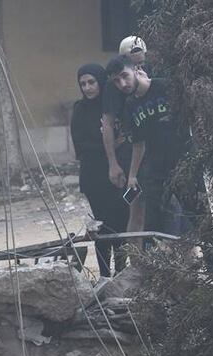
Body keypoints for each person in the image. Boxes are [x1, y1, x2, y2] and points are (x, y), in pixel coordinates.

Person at [107, 54, 184, 235]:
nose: (123, 84)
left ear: (135, 70)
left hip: (184, 162)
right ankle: (154, 263)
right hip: (157, 169)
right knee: (152, 226)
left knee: (199, 215)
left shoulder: (165, 86)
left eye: (124, 76)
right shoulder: (131, 105)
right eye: (116, 81)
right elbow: (138, 143)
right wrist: (133, 175)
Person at [71, 63, 129, 277]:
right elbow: (80, 146)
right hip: (94, 177)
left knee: (122, 224)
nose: (87, 88)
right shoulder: (80, 109)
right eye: (83, 83)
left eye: (91, 82)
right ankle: (105, 275)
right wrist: (111, 144)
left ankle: (121, 273)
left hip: (120, 176)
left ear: (101, 82)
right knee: (103, 228)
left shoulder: (114, 106)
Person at [100, 36, 150, 233]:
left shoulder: (154, 81)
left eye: (141, 61)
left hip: (155, 153)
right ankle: (137, 261)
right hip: (128, 152)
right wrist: (112, 163)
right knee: (136, 209)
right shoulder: (113, 87)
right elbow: (108, 124)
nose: (123, 82)